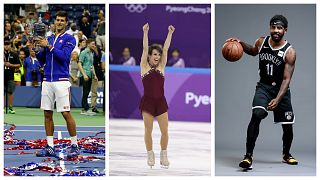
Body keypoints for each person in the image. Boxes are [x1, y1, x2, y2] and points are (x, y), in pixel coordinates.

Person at [229, 15, 297, 169]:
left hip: (281, 91)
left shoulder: (290, 51)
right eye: (273, 27)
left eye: (279, 28)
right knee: (257, 114)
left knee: (287, 125)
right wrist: (239, 43)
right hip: (264, 87)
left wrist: (278, 99)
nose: (276, 30)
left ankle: (286, 154)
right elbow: (253, 51)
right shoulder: (262, 41)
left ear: (285, 30)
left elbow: (286, 79)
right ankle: (248, 156)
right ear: (270, 28)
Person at [34, 11, 79, 158]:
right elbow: (42, 60)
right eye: (57, 20)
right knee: (47, 113)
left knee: (66, 113)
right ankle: (50, 146)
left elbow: (64, 57)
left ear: (65, 23)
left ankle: (74, 145)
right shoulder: (49, 38)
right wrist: (36, 49)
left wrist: (50, 47)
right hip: (47, 80)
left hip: (61, 81)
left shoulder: (70, 39)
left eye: (62, 20)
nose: (59, 22)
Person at [139, 23, 174, 168]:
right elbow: (145, 48)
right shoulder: (144, 66)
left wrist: (170, 33)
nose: (157, 57)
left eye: (158, 55)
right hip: (147, 102)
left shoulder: (161, 67)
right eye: (155, 54)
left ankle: (163, 155)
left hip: (160, 102)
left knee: (165, 131)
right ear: (149, 56)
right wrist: (145, 32)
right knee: (148, 130)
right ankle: (150, 154)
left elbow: (165, 49)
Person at [78, 38, 97, 116]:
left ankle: (85, 108)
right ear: (88, 44)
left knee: (87, 92)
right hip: (84, 75)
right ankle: (85, 109)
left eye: (94, 44)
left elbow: (92, 65)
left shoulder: (91, 53)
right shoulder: (83, 52)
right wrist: (84, 74)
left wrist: (95, 75)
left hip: (90, 75)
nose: (94, 45)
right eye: (93, 44)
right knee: (85, 92)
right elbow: (79, 64)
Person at [4, 40, 21, 114]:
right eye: (5, 44)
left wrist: (10, 65)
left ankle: (10, 107)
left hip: (10, 76)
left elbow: (19, 65)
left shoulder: (14, 54)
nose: (6, 46)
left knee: (10, 92)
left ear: (10, 45)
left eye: (8, 44)